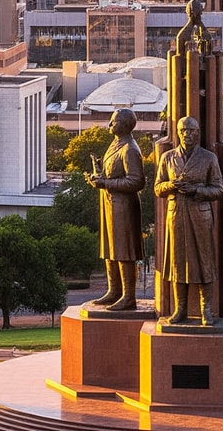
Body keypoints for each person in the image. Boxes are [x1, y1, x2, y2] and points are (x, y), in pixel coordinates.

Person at [155, 115, 223, 324]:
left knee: (204, 262)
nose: (188, 135)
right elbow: (158, 188)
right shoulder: (168, 157)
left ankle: (206, 310)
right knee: (178, 263)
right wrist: (171, 186)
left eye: (192, 131)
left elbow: (218, 189)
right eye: (184, 130)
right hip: (176, 215)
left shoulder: (208, 157)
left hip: (200, 215)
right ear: (178, 133)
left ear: (198, 133)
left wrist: (196, 190)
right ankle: (180, 309)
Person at [86, 108, 145, 310]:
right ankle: (114, 291)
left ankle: (129, 297)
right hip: (110, 204)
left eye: (113, 122)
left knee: (123, 250)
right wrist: (98, 173)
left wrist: (106, 184)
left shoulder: (130, 149)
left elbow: (137, 181)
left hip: (123, 207)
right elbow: (112, 173)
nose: (109, 125)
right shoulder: (116, 144)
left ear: (126, 125)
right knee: (110, 248)